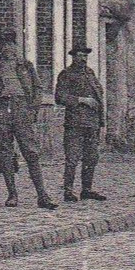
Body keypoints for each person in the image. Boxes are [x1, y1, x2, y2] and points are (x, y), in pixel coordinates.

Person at [0, 27, 59, 209]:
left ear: (16, 46)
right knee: (6, 154)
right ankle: (12, 195)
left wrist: (33, 109)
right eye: (4, 45)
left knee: (31, 152)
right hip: (2, 109)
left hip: (22, 109)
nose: (8, 48)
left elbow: (38, 88)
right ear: (0, 47)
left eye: (11, 44)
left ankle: (42, 196)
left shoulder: (26, 66)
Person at [54, 43, 108, 203]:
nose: (83, 59)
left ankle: (87, 189)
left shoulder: (90, 74)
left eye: (85, 56)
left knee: (91, 158)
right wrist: (81, 100)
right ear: (73, 57)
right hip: (75, 123)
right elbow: (59, 97)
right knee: (72, 158)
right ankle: (68, 191)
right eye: (79, 55)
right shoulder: (66, 74)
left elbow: (98, 98)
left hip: (92, 123)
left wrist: (100, 122)